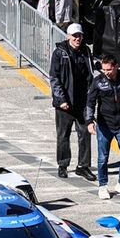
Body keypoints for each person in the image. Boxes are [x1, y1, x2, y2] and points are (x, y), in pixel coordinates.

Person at [85, 55, 120, 200]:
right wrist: (89, 121)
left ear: (116, 67)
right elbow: (90, 103)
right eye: (104, 70)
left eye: (109, 69)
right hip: (104, 125)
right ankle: (102, 186)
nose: (106, 72)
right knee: (103, 158)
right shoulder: (98, 82)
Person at [49, 23, 95, 181]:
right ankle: (63, 165)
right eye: (74, 36)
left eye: (80, 35)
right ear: (68, 36)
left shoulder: (86, 51)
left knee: (85, 134)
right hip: (65, 104)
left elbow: (90, 74)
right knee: (63, 135)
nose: (77, 38)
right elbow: (54, 78)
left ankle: (83, 166)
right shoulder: (59, 53)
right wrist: (61, 99)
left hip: (82, 102)